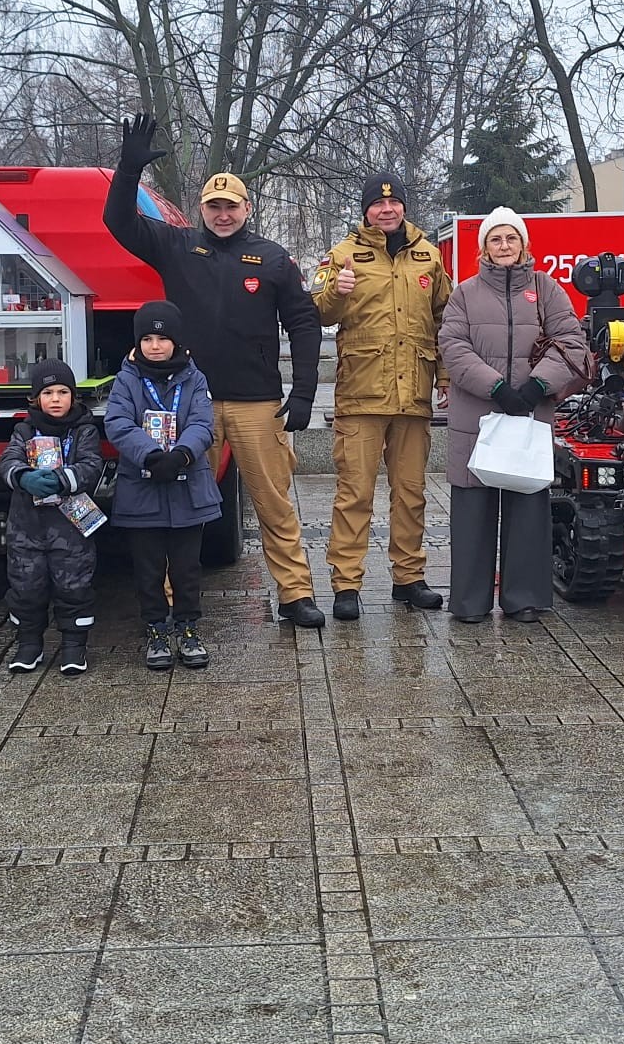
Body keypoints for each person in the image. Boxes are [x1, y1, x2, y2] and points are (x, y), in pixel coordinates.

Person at [103, 113, 326, 628]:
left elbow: (305, 323)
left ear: (246, 208)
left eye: (230, 206)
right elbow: (118, 223)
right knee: (173, 506)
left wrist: (304, 394)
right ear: (200, 210)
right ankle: (169, 605)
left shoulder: (272, 258)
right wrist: (128, 169)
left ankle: (294, 593)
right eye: (213, 206)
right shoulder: (177, 245)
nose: (222, 214)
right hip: (184, 406)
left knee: (273, 503)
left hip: (256, 403)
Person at [436, 208, 589, 623]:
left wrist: (538, 385)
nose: (504, 247)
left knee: (527, 509)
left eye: (511, 239)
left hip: (529, 415)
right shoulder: (464, 293)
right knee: (472, 513)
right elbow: (452, 345)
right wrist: (496, 387)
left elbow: (571, 342)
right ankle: (470, 602)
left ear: (524, 244)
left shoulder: (547, 289)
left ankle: (524, 599)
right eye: (496, 239)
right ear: (483, 246)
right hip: (476, 417)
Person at [313, 174, 452, 620]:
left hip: (413, 393)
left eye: (393, 204)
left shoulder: (428, 256)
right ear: (366, 210)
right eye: (377, 204)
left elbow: (447, 319)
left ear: (404, 208)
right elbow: (316, 309)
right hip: (361, 393)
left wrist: (445, 376)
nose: (386, 210)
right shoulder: (342, 255)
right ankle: (347, 584)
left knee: (411, 492)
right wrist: (338, 290)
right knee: (354, 492)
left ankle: (409, 578)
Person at [104, 302, 220, 671]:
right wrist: (151, 455)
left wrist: (183, 453)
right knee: (148, 568)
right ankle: (155, 629)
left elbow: (203, 422)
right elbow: (119, 422)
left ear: (176, 341)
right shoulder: (126, 379)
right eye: (148, 339)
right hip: (143, 487)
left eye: (163, 338)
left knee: (187, 568)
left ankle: (188, 628)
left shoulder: (194, 377)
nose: (155, 346)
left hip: (187, 487)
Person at [0, 359, 103, 674]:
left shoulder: (84, 430)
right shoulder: (23, 430)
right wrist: (23, 477)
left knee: (73, 586)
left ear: (73, 396)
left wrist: (63, 478)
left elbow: (91, 465)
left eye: (62, 392)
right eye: (47, 393)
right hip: (26, 529)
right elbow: (8, 460)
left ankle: (74, 646)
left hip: (70, 529)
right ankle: (29, 644)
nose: (55, 399)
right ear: (35, 398)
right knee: (26, 586)